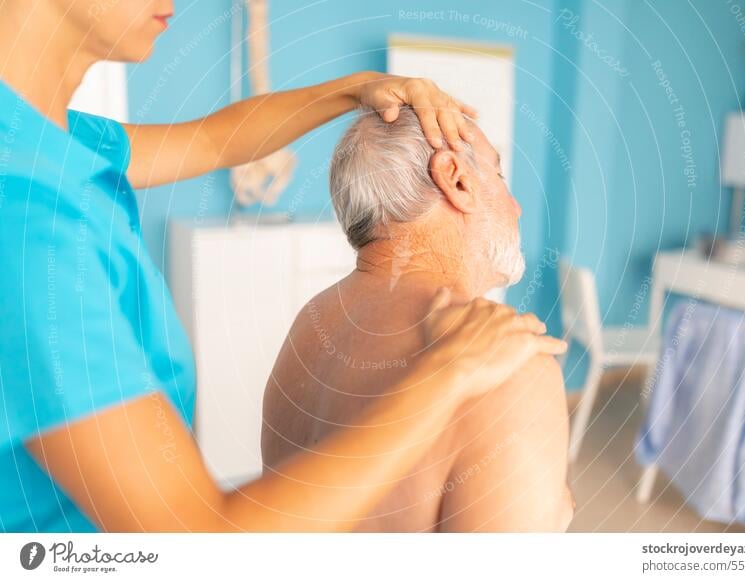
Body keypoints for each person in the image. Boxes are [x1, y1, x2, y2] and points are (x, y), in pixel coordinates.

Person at [0, 0, 566, 532]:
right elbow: (197, 541)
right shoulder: (25, 220)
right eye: (501, 176)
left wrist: (356, 90)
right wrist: (450, 374)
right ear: (458, 180)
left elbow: (219, 140)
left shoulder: (50, 144)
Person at [261, 107, 574, 531]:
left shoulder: (311, 325)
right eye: (499, 178)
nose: (515, 207)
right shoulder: (505, 365)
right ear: (457, 180)